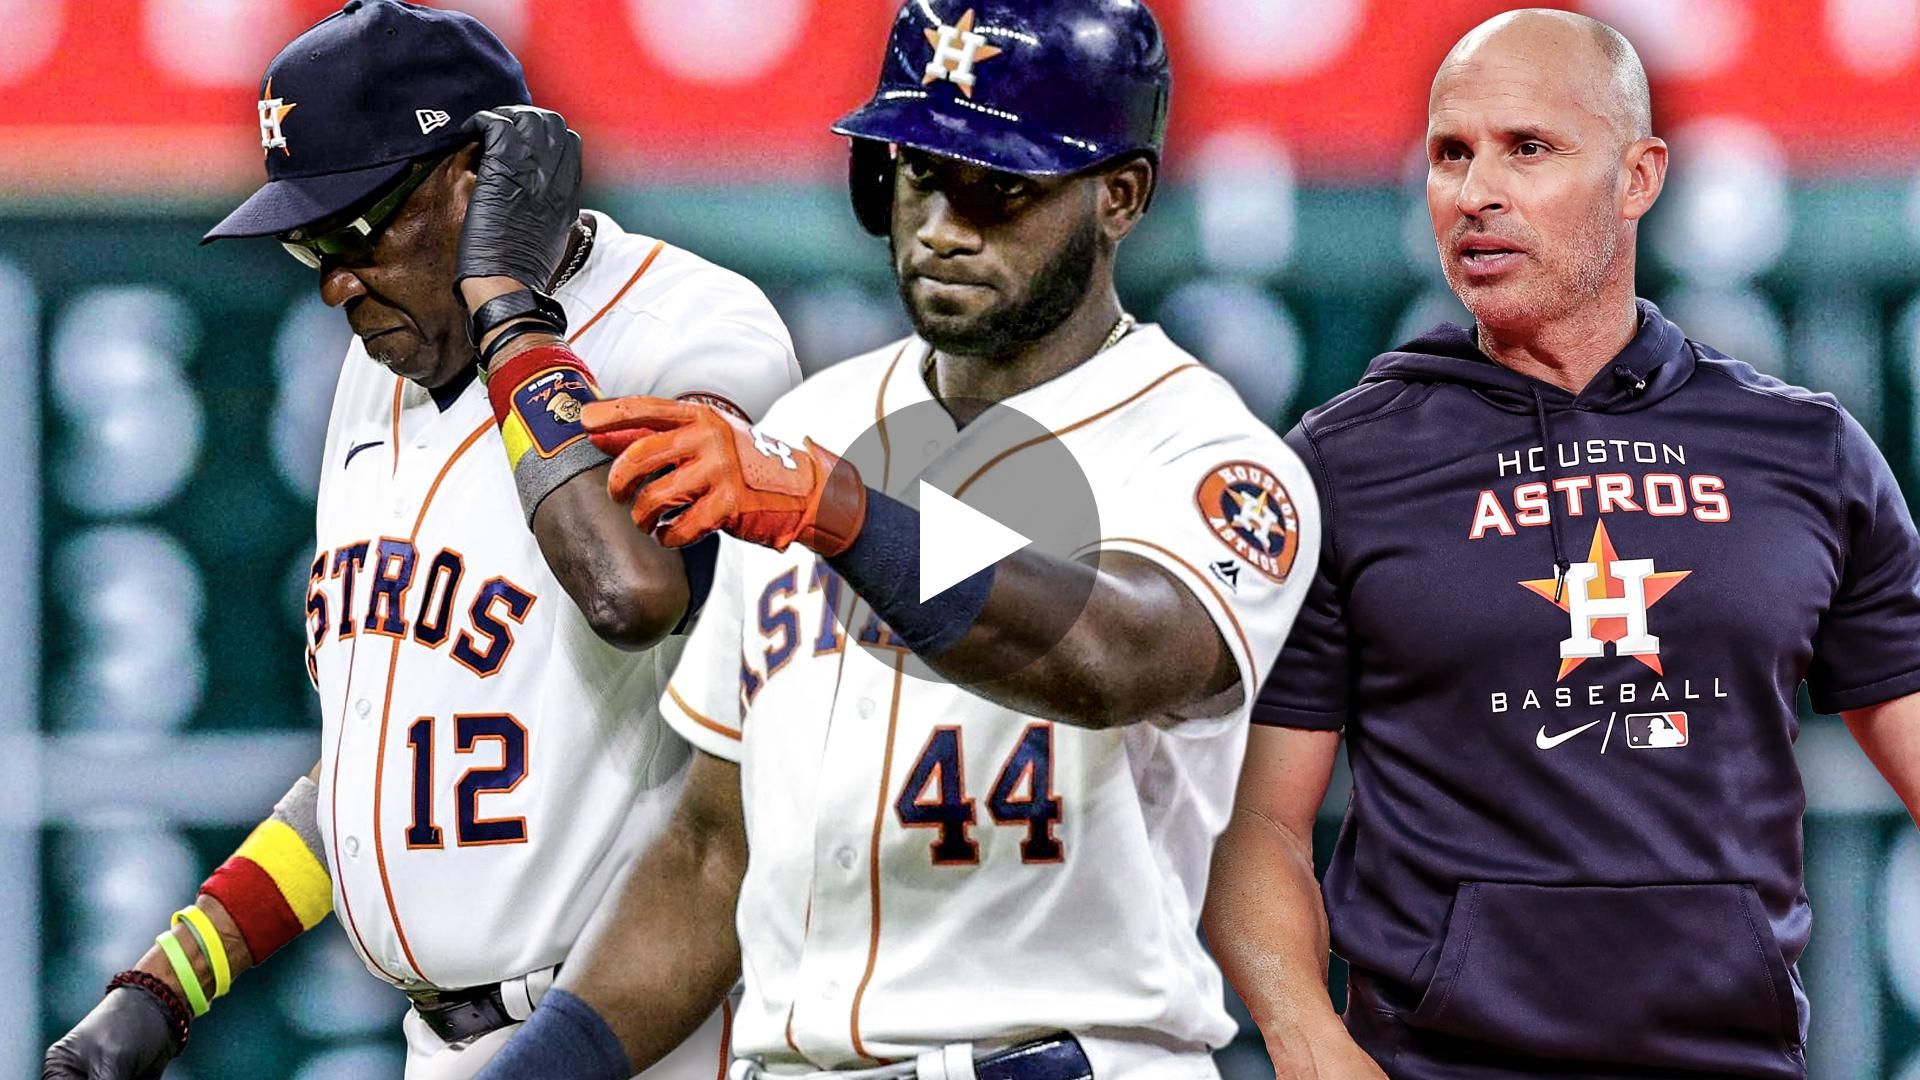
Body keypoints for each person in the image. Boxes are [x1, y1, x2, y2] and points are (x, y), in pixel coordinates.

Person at [470, 2, 1318, 1079]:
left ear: (1121, 195)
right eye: (922, 172)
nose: (944, 227)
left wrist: (832, 508)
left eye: (999, 186)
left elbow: (1119, 656)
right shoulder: (807, 430)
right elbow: (708, 858)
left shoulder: (1205, 453)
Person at [42, 3, 798, 1078]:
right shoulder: (377, 371)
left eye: (360, 228)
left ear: (485, 178)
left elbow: (633, 591)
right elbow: (373, 772)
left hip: (651, 1035)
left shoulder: (693, 329)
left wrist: (506, 311)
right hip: (439, 1045)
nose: (336, 282)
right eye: (311, 242)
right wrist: (173, 981)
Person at [1204, 9, 1920, 1079]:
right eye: (1452, 154)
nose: (1475, 192)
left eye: (1527, 149)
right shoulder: (1342, 467)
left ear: (1639, 177)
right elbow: (1253, 821)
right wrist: (1308, 1039)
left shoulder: (1805, 452)